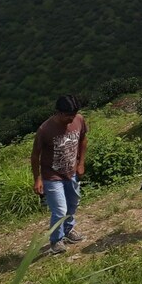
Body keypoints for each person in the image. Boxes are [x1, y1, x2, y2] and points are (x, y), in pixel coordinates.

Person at [31, 95, 88, 255]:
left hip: (71, 172)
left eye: (74, 113)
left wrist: (81, 163)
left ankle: (69, 230)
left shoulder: (79, 120)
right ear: (58, 112)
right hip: (52, 176)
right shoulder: (45, 130)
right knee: (60, 210)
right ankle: (56, 241)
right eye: (68, 115)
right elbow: (35, 155)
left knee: (73, 203)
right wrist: (37, 178)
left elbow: (83, 139)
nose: (71, 118)